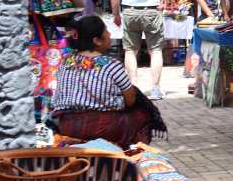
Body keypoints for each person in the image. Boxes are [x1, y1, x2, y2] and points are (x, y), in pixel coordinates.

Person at [51, 15, 166, 148]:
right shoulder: (112, 65)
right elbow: (130, 100)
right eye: (106, 31)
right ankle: (129, 156)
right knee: (142, 115)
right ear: (97, 40)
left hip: (67, 125)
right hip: (101, 127)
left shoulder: (65, 62)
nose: (110, 34)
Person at [110, 0, 176, 100]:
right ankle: (155, 88)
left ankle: (133, 87)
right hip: (152, 12)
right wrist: (169, 3)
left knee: (130, 51)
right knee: (155, 50)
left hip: (130, 11)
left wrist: (116, 14)